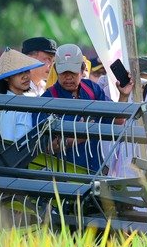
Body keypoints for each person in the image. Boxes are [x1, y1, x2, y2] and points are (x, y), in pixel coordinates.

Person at [42, 43, 133, 172]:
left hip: (94, 171)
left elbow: (117, 120)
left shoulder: (92, 88)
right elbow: (44, 147)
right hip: (63, 175)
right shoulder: (47, 99)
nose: (68, 77)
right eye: (63, 72)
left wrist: (123, 96)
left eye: (72, 72)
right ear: (56, 70)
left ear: (82, 69)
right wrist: (80, 135)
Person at [0, 49, 44, 141]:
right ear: (7, 77)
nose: (26, 76)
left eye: (27, 71)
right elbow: (6, 142)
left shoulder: (24, 100)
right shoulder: (7, 106)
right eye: (19, 73)